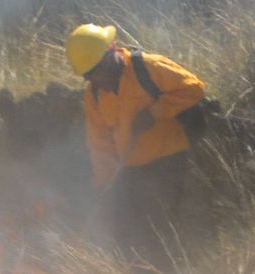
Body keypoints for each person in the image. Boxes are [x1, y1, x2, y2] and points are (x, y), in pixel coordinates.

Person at [66, 23, 206, 259]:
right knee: (126, 232)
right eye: (90, 75)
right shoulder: (94, 94)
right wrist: (104, 183)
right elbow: (99, 142)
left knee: (158, 226)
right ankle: (136, 272)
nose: (99, 78)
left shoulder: (148, 67)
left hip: (168, 160)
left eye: (100, 68)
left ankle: (169, 269)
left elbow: (193, 89)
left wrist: (155, 112)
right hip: (130, 168)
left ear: (113, 49)